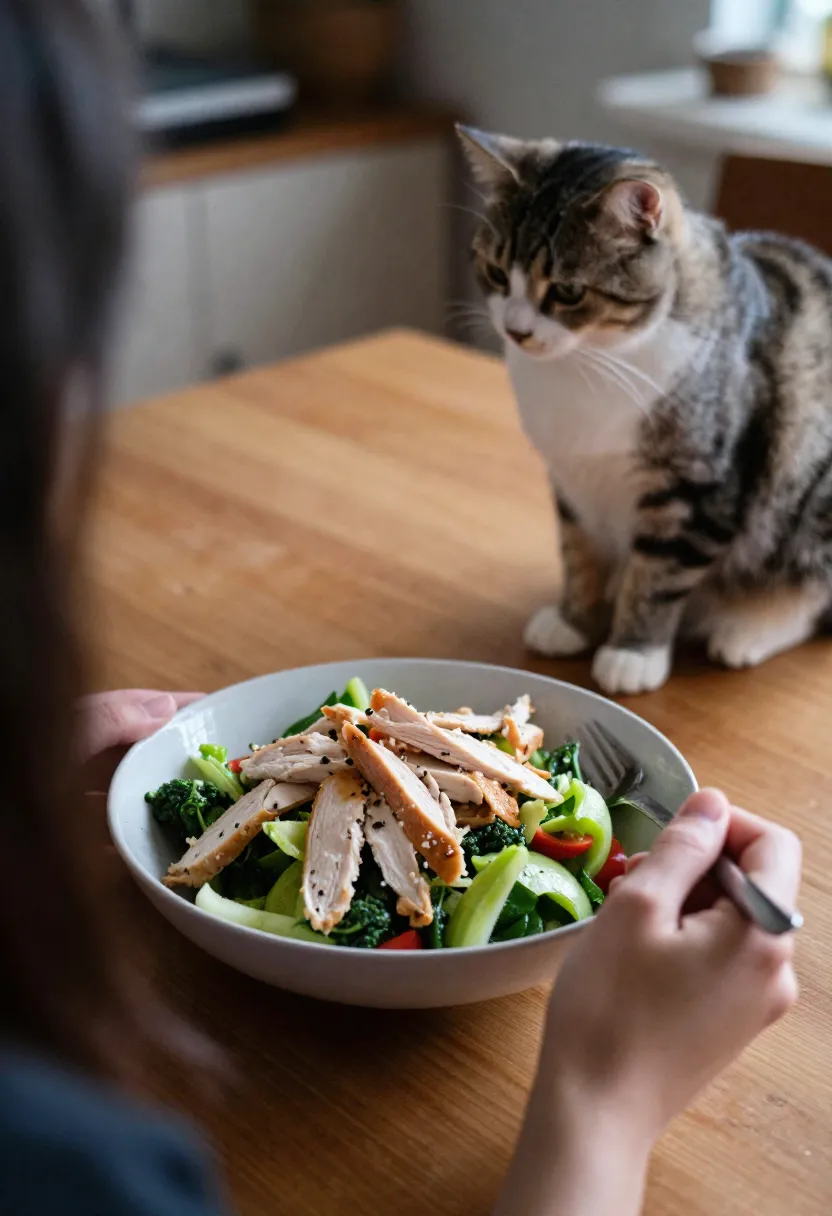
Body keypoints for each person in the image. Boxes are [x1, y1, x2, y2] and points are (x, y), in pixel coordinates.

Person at [0, 3, 801, 1214]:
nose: (518, 320)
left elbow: (684, 500)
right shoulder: (88, 1170)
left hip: (770, 558)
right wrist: (603, 1106)